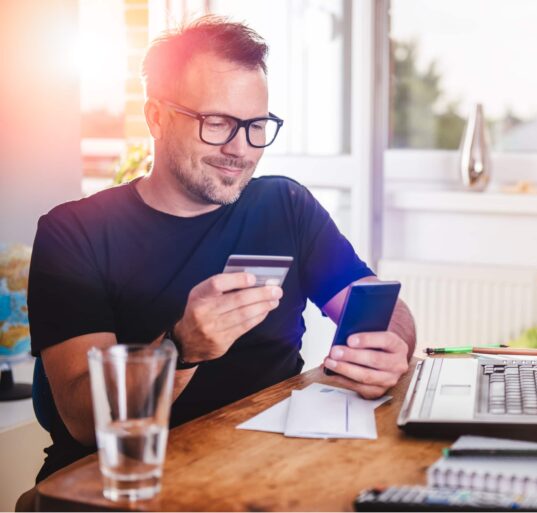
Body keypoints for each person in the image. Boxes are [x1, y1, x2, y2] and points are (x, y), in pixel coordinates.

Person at [28, 15, 415, 482]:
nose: (240, 149)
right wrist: (181, 348)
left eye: (255, 125)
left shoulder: (285, 206)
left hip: (264, 465)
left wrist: (392, 346)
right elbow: (84, 419)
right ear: (156, 117)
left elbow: (382, 306)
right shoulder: (74, 233)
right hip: (124, 478)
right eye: (216, 123)